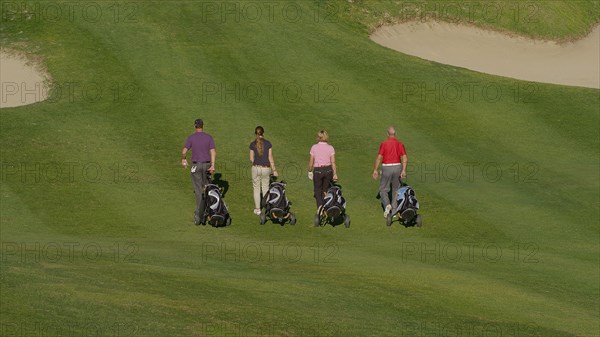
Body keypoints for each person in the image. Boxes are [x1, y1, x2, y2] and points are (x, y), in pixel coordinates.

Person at [181, 119, 216, 225]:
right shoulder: (209, 137)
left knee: (198, 191)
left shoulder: (191, 137)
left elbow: (184, 151)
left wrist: (184, 159)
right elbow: (213, 152)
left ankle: (199, 215)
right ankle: (211, 212)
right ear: (203, 126)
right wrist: (213, 165)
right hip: (207, 165)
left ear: (195, 126)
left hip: (196, 166)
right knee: (208, 189)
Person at [372, 126, 408, 218]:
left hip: (386, 168)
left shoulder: (384, 144)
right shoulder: (400, 144)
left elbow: (379, 157)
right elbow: (404, 157)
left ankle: (387, 205)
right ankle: (394, 211)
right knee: (396, 190)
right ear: (395, 134)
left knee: (383, 189)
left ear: (387, 134)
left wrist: (375, 170)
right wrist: (403, 170)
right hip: (397, 167)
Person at [249, 126, 278, 215]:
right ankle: (267, 208)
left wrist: (257, 164)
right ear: (263, 133)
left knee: (256, 189)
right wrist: (274, 170)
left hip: (256, 168)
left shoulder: (252, 144)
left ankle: (258, 209)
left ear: (255, 133)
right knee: (265, 188)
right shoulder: (268, 143)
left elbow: (251, 159)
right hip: (266, 169)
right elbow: (270, 157)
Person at [308, 130, 338, 214]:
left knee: (317, 190)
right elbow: (333, 162)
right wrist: (335, 173)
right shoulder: (330, 147)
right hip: (328, 170)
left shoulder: (314, 147)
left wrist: (309, 171)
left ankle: (320, 208)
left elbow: (311, 162)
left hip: (318, 170)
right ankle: (326, 206)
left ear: (318, 137)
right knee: (325, 190)